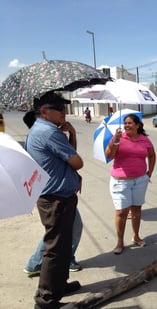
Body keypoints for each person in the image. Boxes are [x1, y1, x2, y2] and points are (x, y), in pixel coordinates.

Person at [26, 91, 83, 308]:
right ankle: (46, 299)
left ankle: (59, 285)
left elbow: (69, 159)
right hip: (56, 199)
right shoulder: (49, 132)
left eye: (64, 107)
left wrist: (72, 134)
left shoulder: (45, 130)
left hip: (58, 196)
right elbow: (77, 162)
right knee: (55, 249)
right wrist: (68, 137)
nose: (64, 111)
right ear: (43, 112)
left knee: (63, 245)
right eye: (58, 108)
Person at [105, 114, 156, 255]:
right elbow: (109, 155)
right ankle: (120, 241)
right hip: (120, 181)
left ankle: (136, 236)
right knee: (121, 212)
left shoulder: (144, 140)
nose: (127, 125)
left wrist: (149, 172)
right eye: (125, 123)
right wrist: (115, 141)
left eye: (130, 123)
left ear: (137, 125)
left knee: (136, 209)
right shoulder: (119, 138)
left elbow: (152, 155)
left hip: (140, 180)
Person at [23, 209, 83, 276]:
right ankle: (35, 264)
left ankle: (67, 259)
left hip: (65, 200)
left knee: (74, 227)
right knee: (56, 231)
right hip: (56, 201)